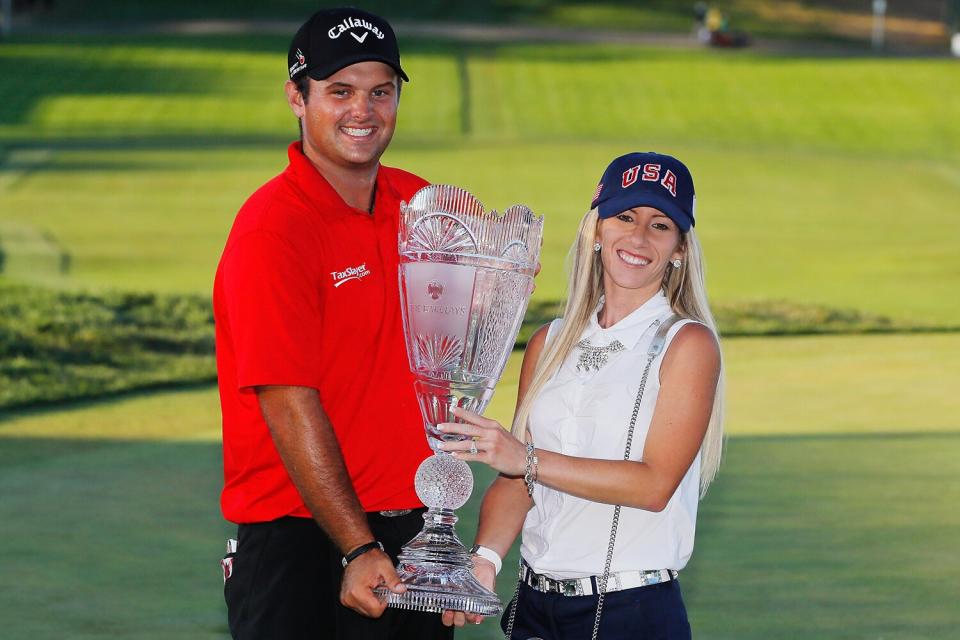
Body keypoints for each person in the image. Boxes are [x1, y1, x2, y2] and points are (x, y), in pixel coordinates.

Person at [213, 8, 452, 640]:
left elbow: (476, 319)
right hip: (303, 544)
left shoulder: (420, 204)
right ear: (297, 96)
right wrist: (357, 546)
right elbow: (287, 400)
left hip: (413, 530)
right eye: (339, 91)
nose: (363, 111)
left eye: (381, 92)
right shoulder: (273, 229)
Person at [437, 152, 724, 638]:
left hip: (630, 610)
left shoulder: (687, 343)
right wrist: (484, 558)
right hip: (534, 604)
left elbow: (653, 486)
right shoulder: (550, 342)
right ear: (596, 229)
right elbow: (519, 478)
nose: (637, 238)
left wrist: (524, 457)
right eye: (625, 217)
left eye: (660, 225)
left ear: (679, 248)